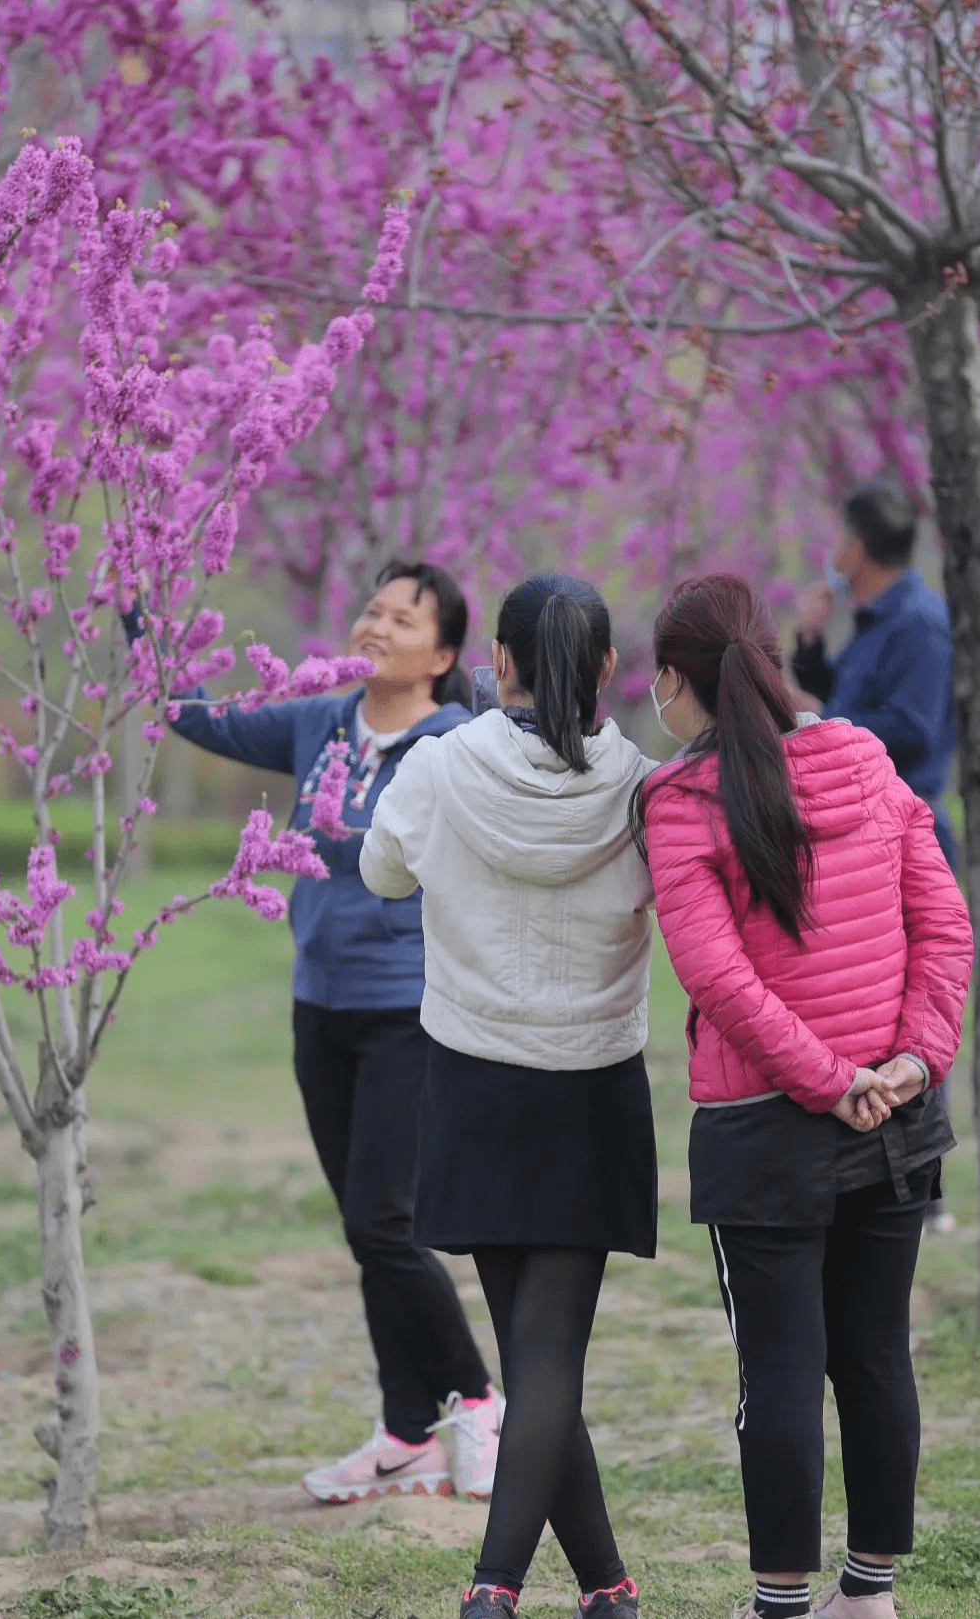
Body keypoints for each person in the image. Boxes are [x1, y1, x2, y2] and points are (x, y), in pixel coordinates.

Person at [632, 575, 973, 1619]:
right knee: (873, 1356)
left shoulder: (679, 800)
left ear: (671, 685)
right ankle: (867, 1596)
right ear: (775, 658)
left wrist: (831, 1083)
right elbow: (946, 924)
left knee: (778, 1371)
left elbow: (716, 978)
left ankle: (781, 1602)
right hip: (895, 1119)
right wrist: (912, 1063)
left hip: (766, 1131)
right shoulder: (865, 758)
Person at [136, 560, 504, 1503]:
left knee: (386, 1222)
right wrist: (142, 616)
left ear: (444, 654)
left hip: (405, 1011)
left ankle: (473, 1396)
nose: (375, 627)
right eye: (370, 609)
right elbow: (197, 715)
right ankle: (403, 1432)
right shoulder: (317, 721)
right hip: (320, 1008)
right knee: (364, 1227)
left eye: (401, 619)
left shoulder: (458, 742)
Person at [361, 574, 658, 1619]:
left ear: (497, 662)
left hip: (476, 1081)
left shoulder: (442, 766)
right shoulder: (641, 790)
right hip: (591, 1089)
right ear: (610, 672)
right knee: (548, 1361)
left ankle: (501, 1591)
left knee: (538, 1360)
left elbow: (383, 875)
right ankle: (599, 1593)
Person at [792, 478, 957, 869]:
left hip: (910, 837)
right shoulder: (878, 619)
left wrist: (825, 719)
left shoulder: (920, 624)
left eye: (837, 538)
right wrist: (809, 642)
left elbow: (915, 732)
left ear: (855, 548)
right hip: (873, 831)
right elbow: (845, 694)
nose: (831, 552)